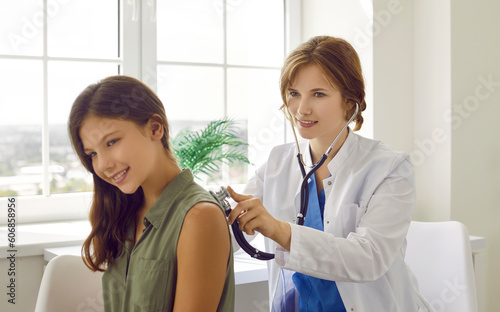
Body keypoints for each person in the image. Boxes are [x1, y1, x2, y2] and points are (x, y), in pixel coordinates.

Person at [227, 36, 434, 311]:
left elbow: (368, 258)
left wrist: (278, 229)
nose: (302, 109)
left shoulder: (389, 168)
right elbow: (232, 237)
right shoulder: (278, 163)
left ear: (350, 101)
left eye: (319, 94)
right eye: (294, 93)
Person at [68, 75, 234, 312]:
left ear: (155, 128)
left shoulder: (199, 217)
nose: (103, 164)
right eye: (92, 153)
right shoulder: (124, 213)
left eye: (112, 142)